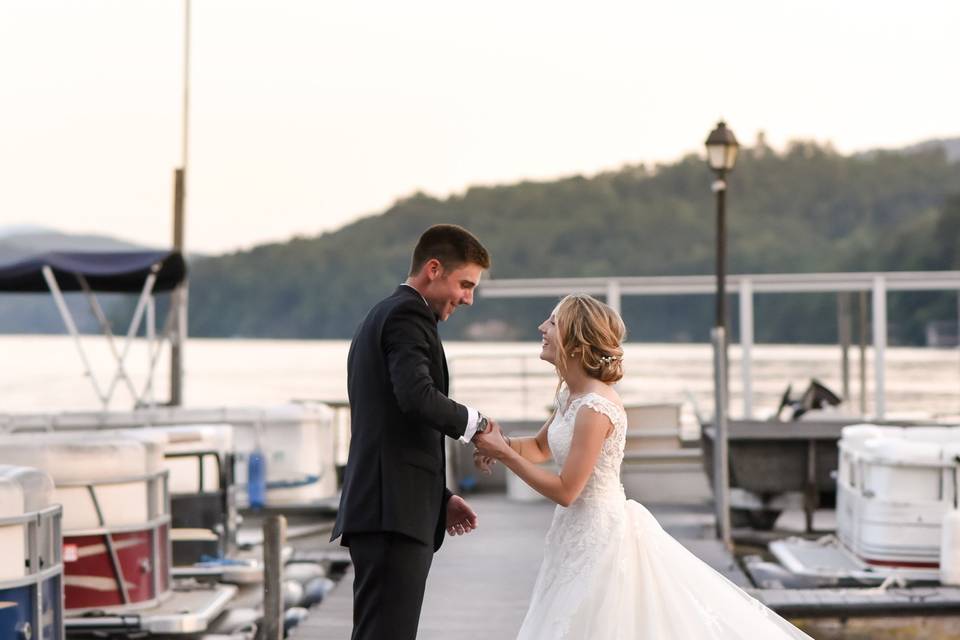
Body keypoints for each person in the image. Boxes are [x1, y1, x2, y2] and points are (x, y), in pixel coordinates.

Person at [473, 294, 813, 640]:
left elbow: (566, 490)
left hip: (599, 536)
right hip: (572, 534)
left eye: (553, 322)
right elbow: (539, 446)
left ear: (576, 342)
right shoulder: (569, 396)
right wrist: (499, 445)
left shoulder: (595, 407)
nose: (542, 328)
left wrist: (506, 455)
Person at [330, 224, 499, 640]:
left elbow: (392, 427)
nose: (468, 298)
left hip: (392, 508)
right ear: (434, 268)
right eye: (464, 284)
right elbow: (416, 397)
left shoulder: (386, 314)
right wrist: (479, 426)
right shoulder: (407, 315)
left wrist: (438, 497)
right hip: (391, 517)